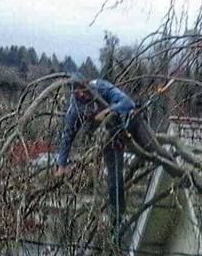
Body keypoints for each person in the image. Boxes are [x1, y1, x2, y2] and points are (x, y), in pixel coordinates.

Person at [56, 76, 147, 238]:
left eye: (83, 90)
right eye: (78, 93)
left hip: (127, 122)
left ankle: (145, 154)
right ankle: (116, 222)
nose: (82, 95)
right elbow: (67, 136)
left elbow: (128, 103)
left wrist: (108, 110)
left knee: (141, 130)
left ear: (87, 85)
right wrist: (61, 164)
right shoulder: (75, 108)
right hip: (109, 137)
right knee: (114, 179)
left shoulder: (101, 86)